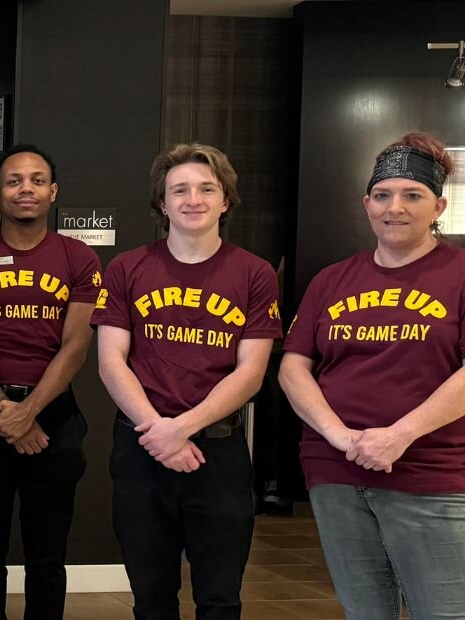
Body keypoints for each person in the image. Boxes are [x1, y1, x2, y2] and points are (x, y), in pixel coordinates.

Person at [279, 132, 465, 619]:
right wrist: (340, 436)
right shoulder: (331, 280)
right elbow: (294, 365)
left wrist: (398, 436)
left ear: (438, 205)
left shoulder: (460, 273)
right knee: (365, 612)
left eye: (412, 195)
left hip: (431, 474)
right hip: (335, 469)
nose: (394, 208)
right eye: (383, 195)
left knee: (443, 612)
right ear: (366, 203)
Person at [93, 144, 280, 619]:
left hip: (218, 453)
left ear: (226, 201)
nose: (192, 199)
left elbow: (251, 371)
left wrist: (181, 429)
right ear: (162, 203)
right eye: (179, 190)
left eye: (206, 188)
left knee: (219, 598)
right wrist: (159, 431)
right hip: (140, 449)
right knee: (151, 598)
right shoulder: (126, 268)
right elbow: (112, 362)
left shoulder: (254, 274)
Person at [0, 146, 100, 619]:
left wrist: (29, 411)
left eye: (37, 180)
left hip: (53, 416)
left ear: (52, 192)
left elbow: (75, 346)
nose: (25, 189)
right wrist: (6, 413)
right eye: (14, 181)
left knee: (47, 556)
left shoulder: (80, 259)